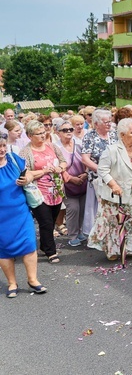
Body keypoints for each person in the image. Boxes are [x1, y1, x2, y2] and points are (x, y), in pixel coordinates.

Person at [87, 119, 132, 262]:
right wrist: (113, 185)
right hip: (114, 195)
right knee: (113, 223)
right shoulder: (112, 150)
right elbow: (102, 170)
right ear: (122, 135)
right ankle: (112, 251)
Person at [0, 136, 47, 297]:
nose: (2, 150)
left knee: (29, 244)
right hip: (1, 218)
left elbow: (30, 175)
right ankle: (12, 283)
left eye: (3, 146)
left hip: (21, 212)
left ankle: (33, 280)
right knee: (4, 249)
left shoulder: (13, 159)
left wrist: (27, 178)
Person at [20, 120, 67, 264]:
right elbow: (25, 173)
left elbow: (63, 161)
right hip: (38, 193)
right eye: (38, 133)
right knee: (45, 222)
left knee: (51, 220)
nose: (42, 135)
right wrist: (44, 171)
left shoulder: (52, 146)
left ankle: (44, 245)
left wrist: (60, 168)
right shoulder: (25, 152)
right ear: (29, 136)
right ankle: (50, 251)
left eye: (43, 132)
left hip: (56, 190)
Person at [72, 109, 117, 247]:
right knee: (99, 209)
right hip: (98, 179)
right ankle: (100, 237)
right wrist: (103, 172)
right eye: (106, 122)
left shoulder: (114, 135)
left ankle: (115, 234)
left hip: (115, 177)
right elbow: (85, 159)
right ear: (96, 123)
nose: (109, 124)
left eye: (110, 121)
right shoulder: (90, 136)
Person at [56, 121, 88, 244]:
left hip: (83, 182)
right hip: (67, 185)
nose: (68, 132)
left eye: (70, 129)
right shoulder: (56, 147)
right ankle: (73, 236)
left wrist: (85, 174)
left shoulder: (79, 144)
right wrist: (70, 178)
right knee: (73, 209)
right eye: (64, 130)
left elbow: (87, 160)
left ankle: (80, 231)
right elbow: (57, 167)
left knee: (82, 208)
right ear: (58, 133)